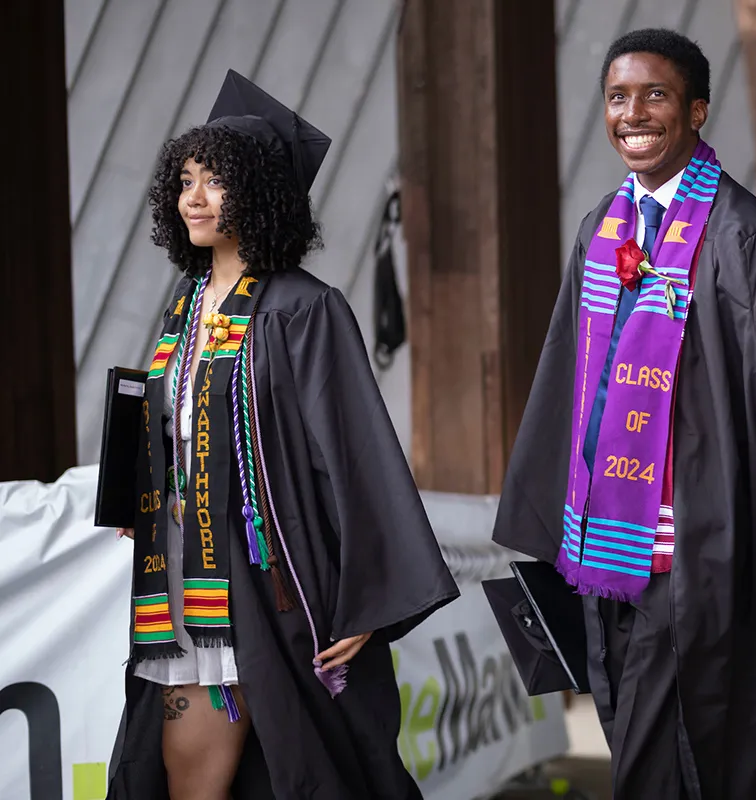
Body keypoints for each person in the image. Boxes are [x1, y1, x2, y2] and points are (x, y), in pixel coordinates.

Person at [492, 28, 756, 798]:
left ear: (697, 110)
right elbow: (567, 381)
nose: (633, 113)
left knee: (675, 762)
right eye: (618, 97)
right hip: (607, 563)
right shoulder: (603, 229)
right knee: (647, 743)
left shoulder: (749, 236)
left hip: (700, 553)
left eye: (654, 95)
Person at [106, 70, 458, 799]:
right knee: (189, 774)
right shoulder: (188, 303)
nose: (194, 198)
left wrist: (368, 597)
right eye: (186, 180)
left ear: (260, 193)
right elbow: (173, 417)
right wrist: (139, 494)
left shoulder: (304, 310)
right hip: (181, 575)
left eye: (216, 182)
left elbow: (358, 453)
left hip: (268, 580)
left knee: (296, 762)